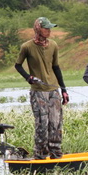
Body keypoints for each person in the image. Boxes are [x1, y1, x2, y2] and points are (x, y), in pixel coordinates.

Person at [14, 17, 69, 160]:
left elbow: (56, 67)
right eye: (46, 28)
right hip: (38, 91)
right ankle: (40, 155)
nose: (49, 31)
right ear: (38, 29)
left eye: (50, 28)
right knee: (42, 125)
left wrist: (63, 90)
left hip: (53, 90)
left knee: (56, 123)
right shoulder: (27, 47)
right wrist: (28, 77)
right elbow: (18, 65)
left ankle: (56, 153)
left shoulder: (53, 45)